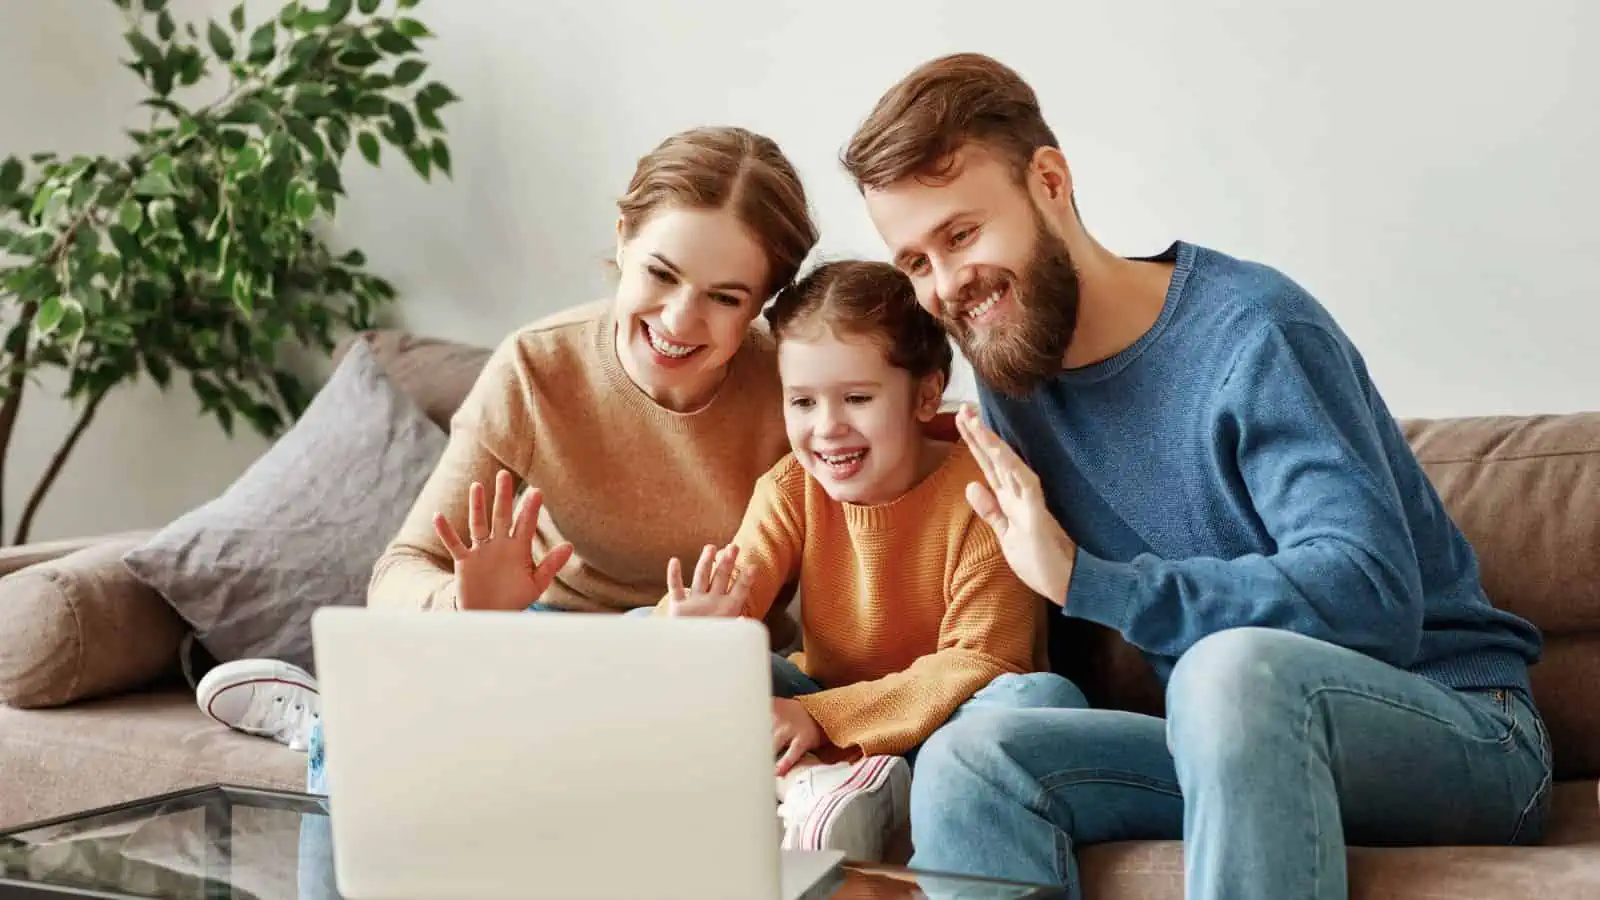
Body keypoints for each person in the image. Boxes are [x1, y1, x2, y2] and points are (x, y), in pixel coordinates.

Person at [839, 52, 1552, 899]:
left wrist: (1086, 578)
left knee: (1226, 672)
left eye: (961, 234)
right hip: (1223, 745)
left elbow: (1373, 600)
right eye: (917, 262)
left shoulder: (1254, 333)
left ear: (1051, 182)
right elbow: (1047, 632)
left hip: (1461, 733)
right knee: (973, 760)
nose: (949, 283)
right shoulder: (1015, 385)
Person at [192, 125, 820, 777]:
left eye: (725, 298)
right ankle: (335, 725)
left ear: (763, 303)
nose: (680, 320)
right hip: (543, 647)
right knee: (365, 716)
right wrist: (470, 607)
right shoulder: (536, 367)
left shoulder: (797, 386)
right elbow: (401, 571)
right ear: (623, 238)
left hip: (712, 665)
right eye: (662, 273)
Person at [661, 258, 1081, 862]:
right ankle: (814, 784)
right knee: (663, 650)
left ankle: (833, 778)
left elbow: (986, 659)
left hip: (947, 728)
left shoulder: (980, 491)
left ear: (926, 393)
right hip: (830, 706)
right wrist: (690, 632)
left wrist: (820, 718)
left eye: (856, 398)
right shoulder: (788, 489)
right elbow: (733, 597)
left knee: (1035, 701)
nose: (827, 428)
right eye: (802, 402)